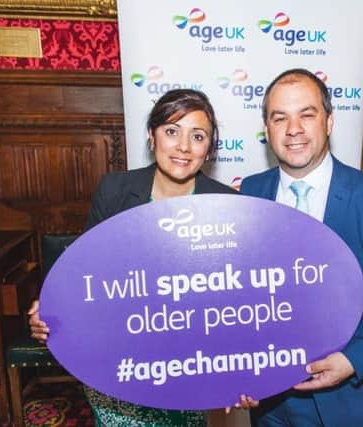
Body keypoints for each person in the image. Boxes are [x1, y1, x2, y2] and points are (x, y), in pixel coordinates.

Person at [29, 88, 236, 427]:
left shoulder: (227, 204)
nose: (183, 146)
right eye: (172, 131)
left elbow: (238, 295)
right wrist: (51, 307)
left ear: (209, 149)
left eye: (197, 136)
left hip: (189, 363)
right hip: (117, 358)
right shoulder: (115, 191)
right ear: (151, 137)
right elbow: (86, 273)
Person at [239, 68, 363, 426]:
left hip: (345, 397)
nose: (294, 129)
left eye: (307, 114)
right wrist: (237, 367)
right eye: (280, 118)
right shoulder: (251, 191)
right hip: (270, 400)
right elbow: (239, 291)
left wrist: (352, 359)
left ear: (329, 121)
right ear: (267, 129)